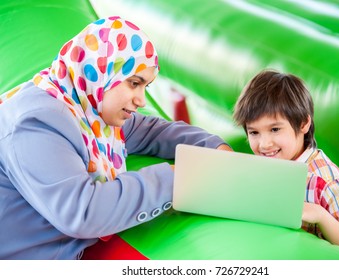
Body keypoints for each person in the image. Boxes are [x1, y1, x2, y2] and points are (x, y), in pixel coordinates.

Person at [0, 16, 231, 260]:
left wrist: (215, 147)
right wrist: (177, 176)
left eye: (146, 87)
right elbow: (84, 213)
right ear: (101, 71)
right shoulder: (37, 123)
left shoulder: (86, 105)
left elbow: (151, 130)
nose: (141, 100)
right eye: (133, 83)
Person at [233, 69, 339, 259]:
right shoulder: (274, 165)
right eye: (254, 133)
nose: (264, 144)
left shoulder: (325, 183)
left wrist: (320, 215)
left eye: (275, 129)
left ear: (303, 124)